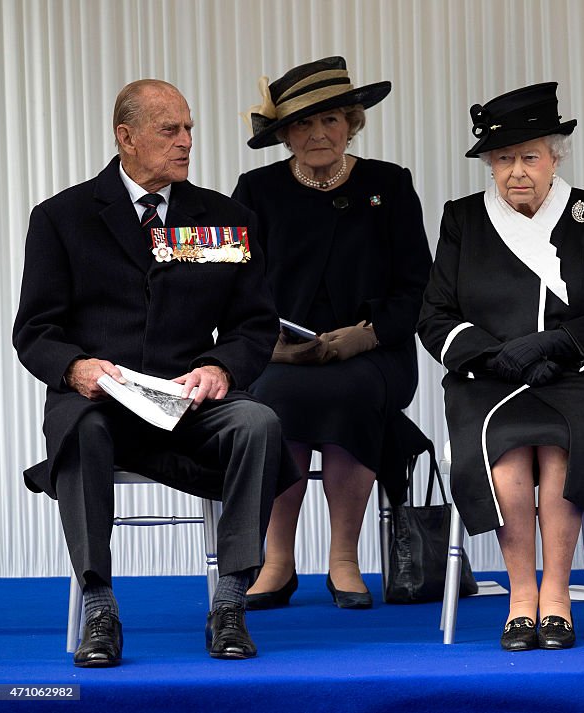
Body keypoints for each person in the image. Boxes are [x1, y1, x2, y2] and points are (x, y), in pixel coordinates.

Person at [12, 79, 299, 666]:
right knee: (81, 431)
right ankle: (99, 605)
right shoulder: (61, 218)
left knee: (258, 421)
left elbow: (254, 325)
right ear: (126, 137)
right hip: (99, 402)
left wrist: (221, 366)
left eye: (189, 128)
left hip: (190, 403)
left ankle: (230, 602)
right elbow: (34, 332)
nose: (186, 141)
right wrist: (74, 367)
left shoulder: (224, 218)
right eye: (170, 130)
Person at [418, 82, 584, 651]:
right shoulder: (463, 219)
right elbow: (436, 318)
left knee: (562, 451)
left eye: (530, 156)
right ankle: (521, 597)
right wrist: (498, 357)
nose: (518, 170)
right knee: (510, 460)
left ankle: (558, 597)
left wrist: (553, 347)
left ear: (555, 156)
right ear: (490, 164)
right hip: (488, 379)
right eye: (504, 158)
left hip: (576, 376)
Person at [234, 56, 432, 610]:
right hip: (281, 355)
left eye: (332, 120)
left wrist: (368, 335)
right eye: (303, 123)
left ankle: (344, 558)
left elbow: (418, 285)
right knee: (271, 401)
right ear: (285, 135)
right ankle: (277, 560)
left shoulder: (388, 185)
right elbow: (230, 281)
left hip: (373, 353)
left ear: (352, 123)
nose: (319, 133)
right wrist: (265, 343)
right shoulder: (256, 190)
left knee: (351, 394)